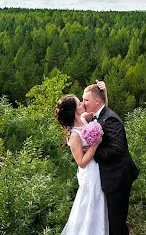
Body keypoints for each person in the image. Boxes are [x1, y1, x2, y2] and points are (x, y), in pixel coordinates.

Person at [82, 81, 139, 235]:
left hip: (118, 177)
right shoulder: (98, 117)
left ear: (97, 101)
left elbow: (117, 149)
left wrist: (93, 152)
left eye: (86, 100)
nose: (83, 103)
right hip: (111, 177)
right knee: (112, 220)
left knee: (116, 221)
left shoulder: (110, 119)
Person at [55, 94, 107, 235]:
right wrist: (95, 145)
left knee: (99, 203)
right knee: (89, 204)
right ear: (73, 111)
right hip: (89, 173)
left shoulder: (84, 118)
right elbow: (81, 162)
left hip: (97, 168)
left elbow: (101, 108)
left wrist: (104, 92)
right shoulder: (74, 136)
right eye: (79, 103)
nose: (83, 104)